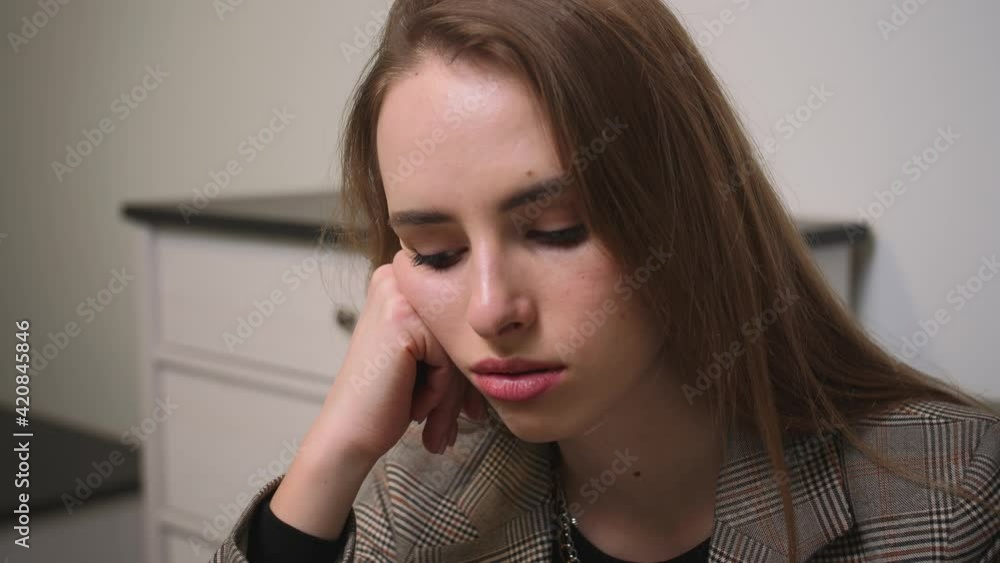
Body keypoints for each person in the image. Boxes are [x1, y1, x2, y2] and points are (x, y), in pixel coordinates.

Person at [210, 1, 1000, 561]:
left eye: (556, 231)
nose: (490, 308)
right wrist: (331, 457)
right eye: (437, 251)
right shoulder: (411, 502)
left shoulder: (952, 497)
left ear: (686, 214)